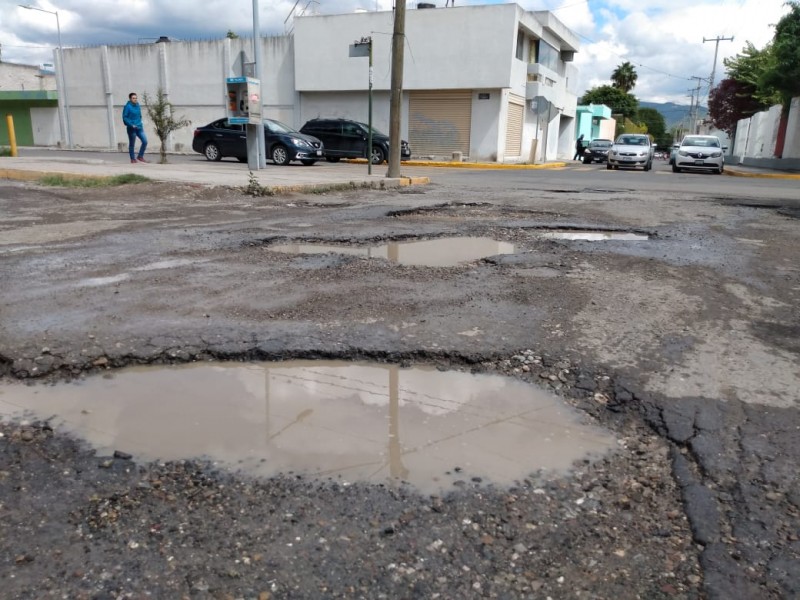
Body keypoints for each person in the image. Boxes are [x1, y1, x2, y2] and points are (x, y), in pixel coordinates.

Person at [122, 92, 148, 163]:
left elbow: (139, 115)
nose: (135, 99)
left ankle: (140, 156)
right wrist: (131, 124)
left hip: (139, 127)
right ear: (130, 99)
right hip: (131, 128)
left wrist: (140, 122)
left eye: (136, 98)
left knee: (145, 141)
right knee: (132, 144)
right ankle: (132, 159)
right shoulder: (127, 107)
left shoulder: (138, 105)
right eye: (133, 98)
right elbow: (125, 117)